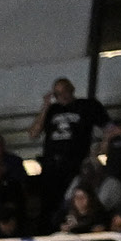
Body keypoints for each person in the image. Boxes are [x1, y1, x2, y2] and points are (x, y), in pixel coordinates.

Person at [29, 78, 109, 230]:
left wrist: (102, 146)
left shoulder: (86, 105)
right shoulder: (52, 109)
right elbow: (33, 133)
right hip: (51, 166)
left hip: (75, 164)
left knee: (71, 201)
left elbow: (108, 125)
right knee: (49, 206)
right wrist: (45, 106)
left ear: (72, 89)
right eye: (58, 93)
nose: (62, 96)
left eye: (65, 91)